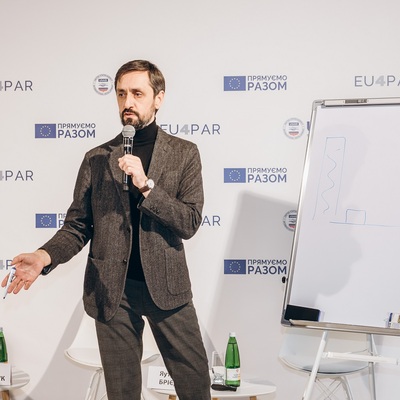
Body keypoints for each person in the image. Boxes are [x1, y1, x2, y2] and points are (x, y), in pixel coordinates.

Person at [2, 59, 211, 400]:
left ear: (158, 98)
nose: (128, 102)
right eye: (121, 94)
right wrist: (43, 256)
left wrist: (146, 185)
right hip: (114, 292)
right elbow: (77, 226)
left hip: (168, 289)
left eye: (138, 93)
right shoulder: (97, 158)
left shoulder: (184, 153)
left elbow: (189, 222)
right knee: (122, 393)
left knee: (195, 386)